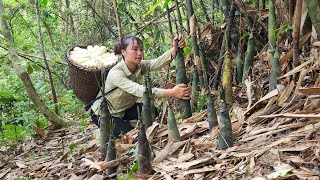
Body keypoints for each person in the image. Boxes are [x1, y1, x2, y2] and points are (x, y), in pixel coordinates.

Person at [90, 34, 190, 137]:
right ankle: (103, 132)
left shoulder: (139, 66)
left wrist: (174, 50)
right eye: (135, 49)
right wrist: (172, 92)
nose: (139, 53)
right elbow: (140, 90)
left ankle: (126, 124)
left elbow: (155, 63)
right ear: (123, 52)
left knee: (153, 112)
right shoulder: (116, 73)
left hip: (124, 109)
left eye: (141, 49)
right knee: (127, 134)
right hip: (103, 114)